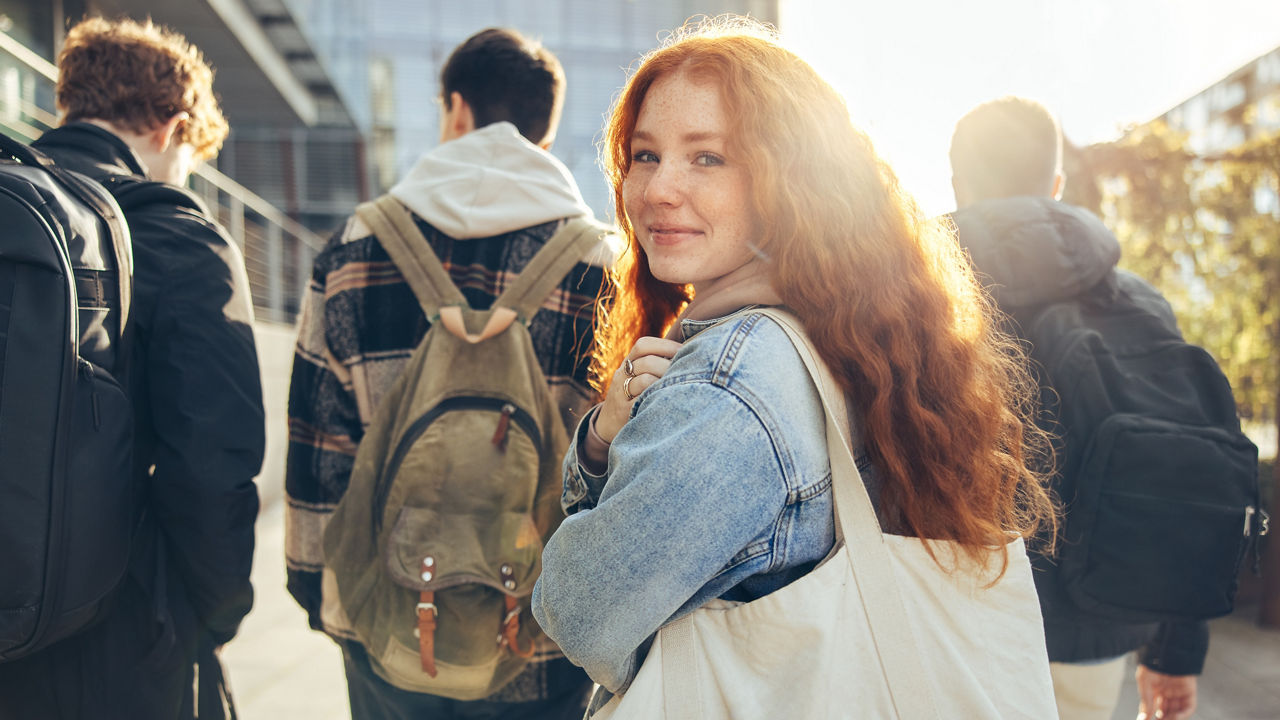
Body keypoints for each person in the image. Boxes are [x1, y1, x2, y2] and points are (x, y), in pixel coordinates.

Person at [530, 16, 1056, 707]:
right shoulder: (846, 331)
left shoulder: (733, 382)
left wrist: (597, 445)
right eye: (645, 155)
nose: (657, 190)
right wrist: (604, 441)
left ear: (792, 180)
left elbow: (581, 612)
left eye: (708, 157)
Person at [285, 27, 609, 720]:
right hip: (539, 635)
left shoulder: (355, 246)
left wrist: (320, 593)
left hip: (388, 622)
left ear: (456, 111)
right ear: (541, 138)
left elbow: (319, 445)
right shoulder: (599, 265)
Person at [0, 16, 265, 720]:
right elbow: (214, 466)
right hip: (117, 638)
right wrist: (204, 619)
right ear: (176, 127)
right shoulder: (180, 237)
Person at [948, 96, 1206, 720]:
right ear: (1056, 185)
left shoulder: (916, 297)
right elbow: (1181, 473)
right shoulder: (1138, 301)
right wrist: (1176, 650)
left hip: (952, 622)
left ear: (955, 181)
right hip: (1097, 624)